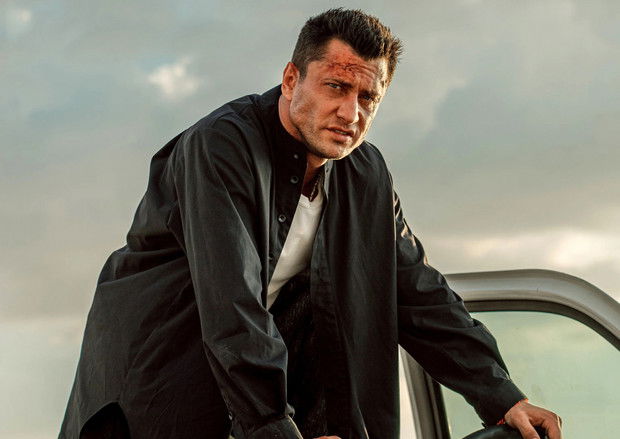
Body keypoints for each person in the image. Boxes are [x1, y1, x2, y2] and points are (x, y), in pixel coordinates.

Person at [59, 8, 563, 439]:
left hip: (255, 400)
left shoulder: (365, 174)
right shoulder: (222, 146)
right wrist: (277, 429)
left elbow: (418, 292)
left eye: (368, 97)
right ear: (291, 80)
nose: (350, 112)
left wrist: (503, 396)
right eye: (336, 87)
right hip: (155, 391)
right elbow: (232, 305)